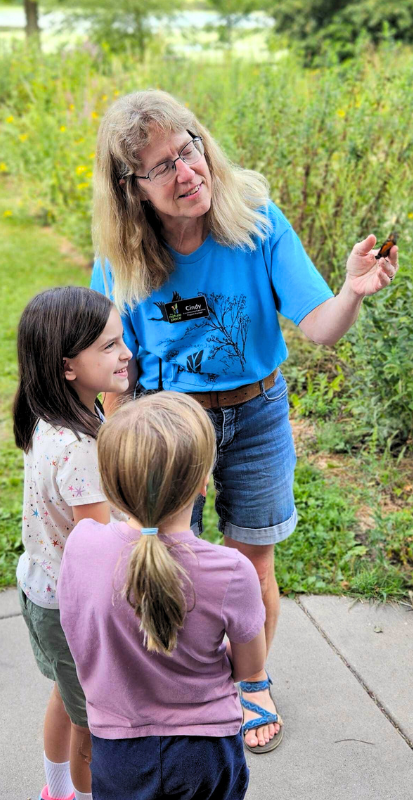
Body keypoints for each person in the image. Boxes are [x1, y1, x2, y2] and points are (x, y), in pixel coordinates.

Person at [90, 89, 399, 752]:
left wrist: (351, 291)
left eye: (189, 148)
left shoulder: (255, 218)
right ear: (131, 187)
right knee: (166, 559)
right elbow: (112, 369)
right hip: (170, 422)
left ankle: (248, 681)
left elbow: (318, 327)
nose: (188, 171)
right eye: (163, 166)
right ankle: (173, 685)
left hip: (256, 412)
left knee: (253, 560)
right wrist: (120, 458)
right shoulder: (122, 259)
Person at [59, 392, 267, 800]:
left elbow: (77, 634)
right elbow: (249, 666)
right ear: (203, 482)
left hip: (118, 749)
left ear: (112, 486)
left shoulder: (82, 545)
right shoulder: (231, 570)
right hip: (205, 752)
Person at [12, 285, 132, 800]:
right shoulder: (81, 446)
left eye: (121, 340)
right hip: (75, 605)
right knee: (94, 724)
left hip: (44, 588)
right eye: (108, 346)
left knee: (67, 695)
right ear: (67, 367)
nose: (125, 352)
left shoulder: (51, 417)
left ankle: (57, 791)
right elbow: (98, 543)